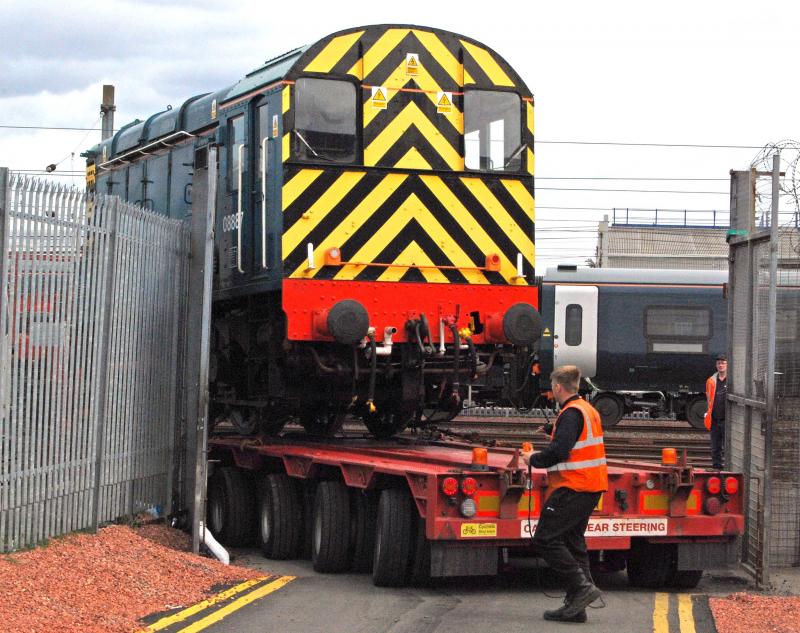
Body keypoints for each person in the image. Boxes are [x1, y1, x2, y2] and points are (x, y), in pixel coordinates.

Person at [522, 365, 608, 623]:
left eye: (552, 386)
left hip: (573, 486)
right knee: (573, 541)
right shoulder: (587, 409)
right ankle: (575, 607)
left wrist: (533, 458)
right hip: (591, 486)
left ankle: (582, 589)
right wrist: (552, 432)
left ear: (558, 387)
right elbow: (576, 440)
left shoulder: (571, 414)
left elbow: (559, 452)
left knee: (545, 538)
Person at [704, 354, 728, 470]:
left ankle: (728, 467)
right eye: (719, 363)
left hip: (727, 419)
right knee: (715, 446)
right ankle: (717, 467)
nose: (721, 365)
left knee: (727, 445)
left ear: (727, 365)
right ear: (716, 365)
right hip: (714, 418)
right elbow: (709, 398)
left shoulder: (732, 380)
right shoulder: (711, 381)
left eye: (723, 363)